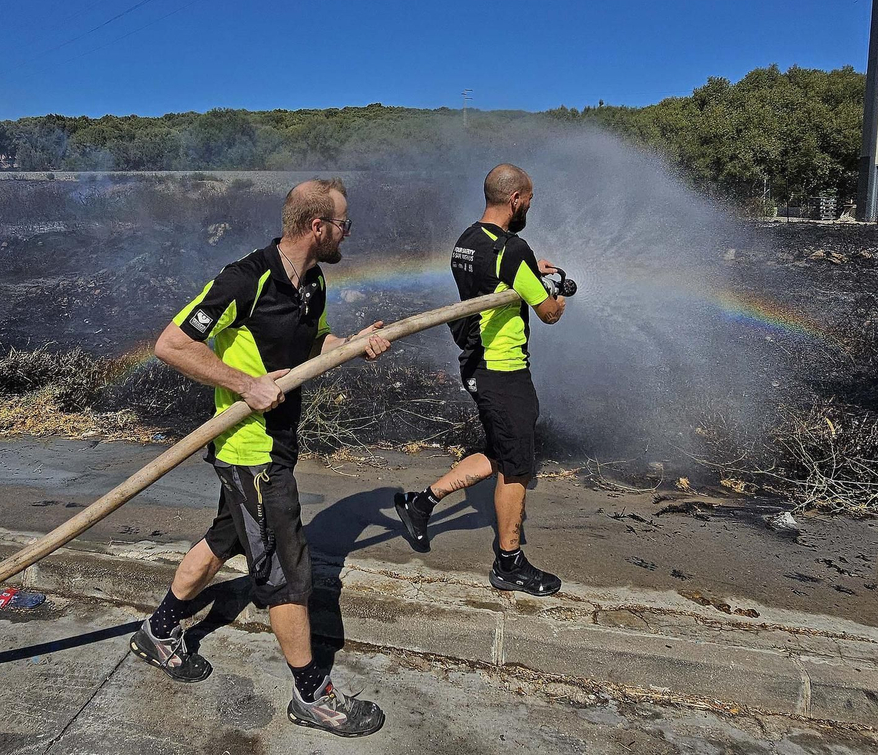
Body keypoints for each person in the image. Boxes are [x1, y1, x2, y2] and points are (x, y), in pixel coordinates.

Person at [129, 178, 392, 738]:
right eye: (344, 224)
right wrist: (244, 383)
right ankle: (311, 694)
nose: (349, 232)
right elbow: (171, 344)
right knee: (287, 572)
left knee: (225, 538)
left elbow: (315, 342)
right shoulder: (243, 280)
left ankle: (159, 630)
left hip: (279, 443)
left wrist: (350, 345)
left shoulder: (313, 281)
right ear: (317, 226)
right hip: (251, 453)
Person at [393, 163, 567, 595]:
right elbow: (547, 313)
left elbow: (494, 274)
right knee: (517, 468)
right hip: (503, 369)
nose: (529, 205)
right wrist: (558, 291)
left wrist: (530, 271)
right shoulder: (514, 250)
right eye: (528, 199)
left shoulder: (465, 241)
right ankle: (509, 564)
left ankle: (421, 503)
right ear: (516, 200)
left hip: (474, 362)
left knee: (499, 451)